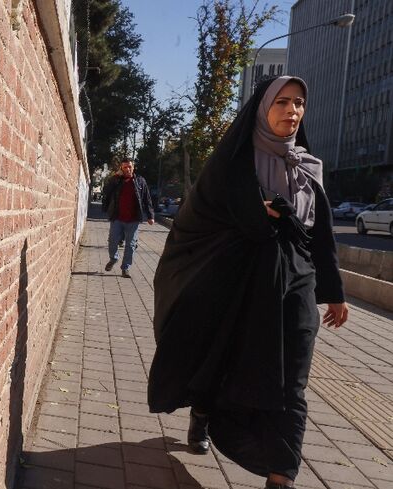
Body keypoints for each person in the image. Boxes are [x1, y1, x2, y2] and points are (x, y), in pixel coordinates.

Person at [147, 76, 348, 489]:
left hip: (297, 286)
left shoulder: (309, 166)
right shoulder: (236, 161)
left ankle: (281, 477)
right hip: (238, 285)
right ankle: (202, 414)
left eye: (299, 104)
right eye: (283, 103)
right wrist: (252, 209)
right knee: (223, 362)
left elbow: (320, 233)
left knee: (292, 380)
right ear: (262, 108)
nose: (292, 111)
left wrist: (334, 293)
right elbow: (200, 218)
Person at [100, 158, 155, 278]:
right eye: (125, 167)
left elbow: (147, 199)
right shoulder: (116, 180)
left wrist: (150, 216)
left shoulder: (140, 181)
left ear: (133, 167)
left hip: (133, 219)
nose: (128, 169)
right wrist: (114, 177)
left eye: (129, 166)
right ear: (121, 168)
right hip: (117, 217)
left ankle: (125, 268)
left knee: (131, 244)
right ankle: (113, 259)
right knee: (112, 241)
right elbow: (106, 191)